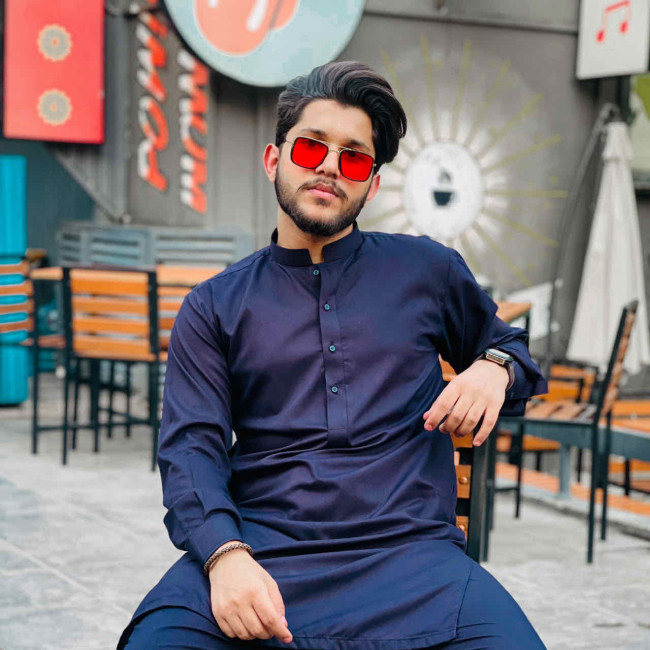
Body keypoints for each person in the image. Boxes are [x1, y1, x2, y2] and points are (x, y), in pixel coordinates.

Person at [118, 61, 548, 649]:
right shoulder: (214, 306)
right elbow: (191, 450)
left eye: (354, 158)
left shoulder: (427, 271)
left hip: (413, 561)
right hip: (260, 551)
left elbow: (513, 351)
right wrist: (224, 556)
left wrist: (494, 369)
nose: (328, 167)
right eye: (311, 147)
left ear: (372, 184)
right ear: (274, 160)